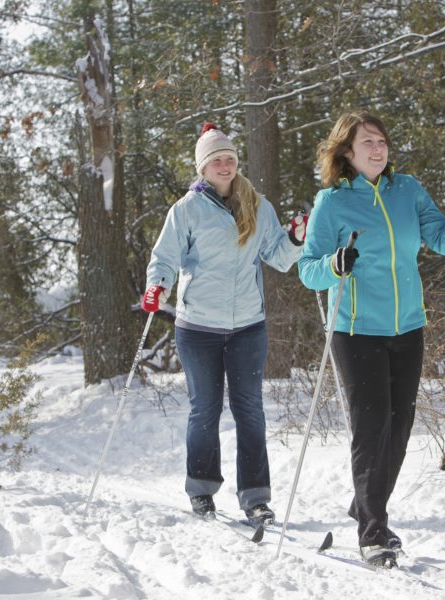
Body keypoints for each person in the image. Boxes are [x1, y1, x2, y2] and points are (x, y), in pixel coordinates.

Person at [297, 111, 445, 566]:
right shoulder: (332, 202)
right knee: (372, 426)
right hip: (355, 328)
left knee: (399, 429)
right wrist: (334, 266)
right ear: (347, 151)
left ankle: (365, 502)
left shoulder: (408, 191)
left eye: (382, 141)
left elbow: (444, 241)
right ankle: (373, 533)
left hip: (407, 326)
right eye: (368, 142)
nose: (378, 149)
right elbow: (308, 270)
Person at [142, 123, 307, 525]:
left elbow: (278, 257)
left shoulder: (257, 205)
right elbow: (164, 258)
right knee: (206, 409)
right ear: (203, 167)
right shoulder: (186, 210)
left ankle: (255, 498)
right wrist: (157, 286)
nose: (225, 164)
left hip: (248, 325)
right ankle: (201, 489)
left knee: (250, 410)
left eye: (229, 158)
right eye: (216, 159)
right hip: (197, 327)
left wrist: (296, 238)